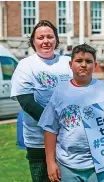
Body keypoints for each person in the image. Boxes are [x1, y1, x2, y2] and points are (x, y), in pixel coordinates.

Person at [37, 44, 104, 182]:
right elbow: (50, 129)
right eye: (79, 61)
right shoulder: (60, 92)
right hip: (67, 164)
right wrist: (50, 163)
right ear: (70, 64)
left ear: (95, 64)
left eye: (88, 61)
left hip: (102, 164)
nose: (83, 65)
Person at [10, 20, 73, 182]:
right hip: (38, 143)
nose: (46, 41)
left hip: (69, 141)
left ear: (56, 39)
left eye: (50, 37)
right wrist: (57, 124)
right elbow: (27, 103)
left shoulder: (67, 63)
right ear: (33, 41)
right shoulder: (26, 65)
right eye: (40, 37)